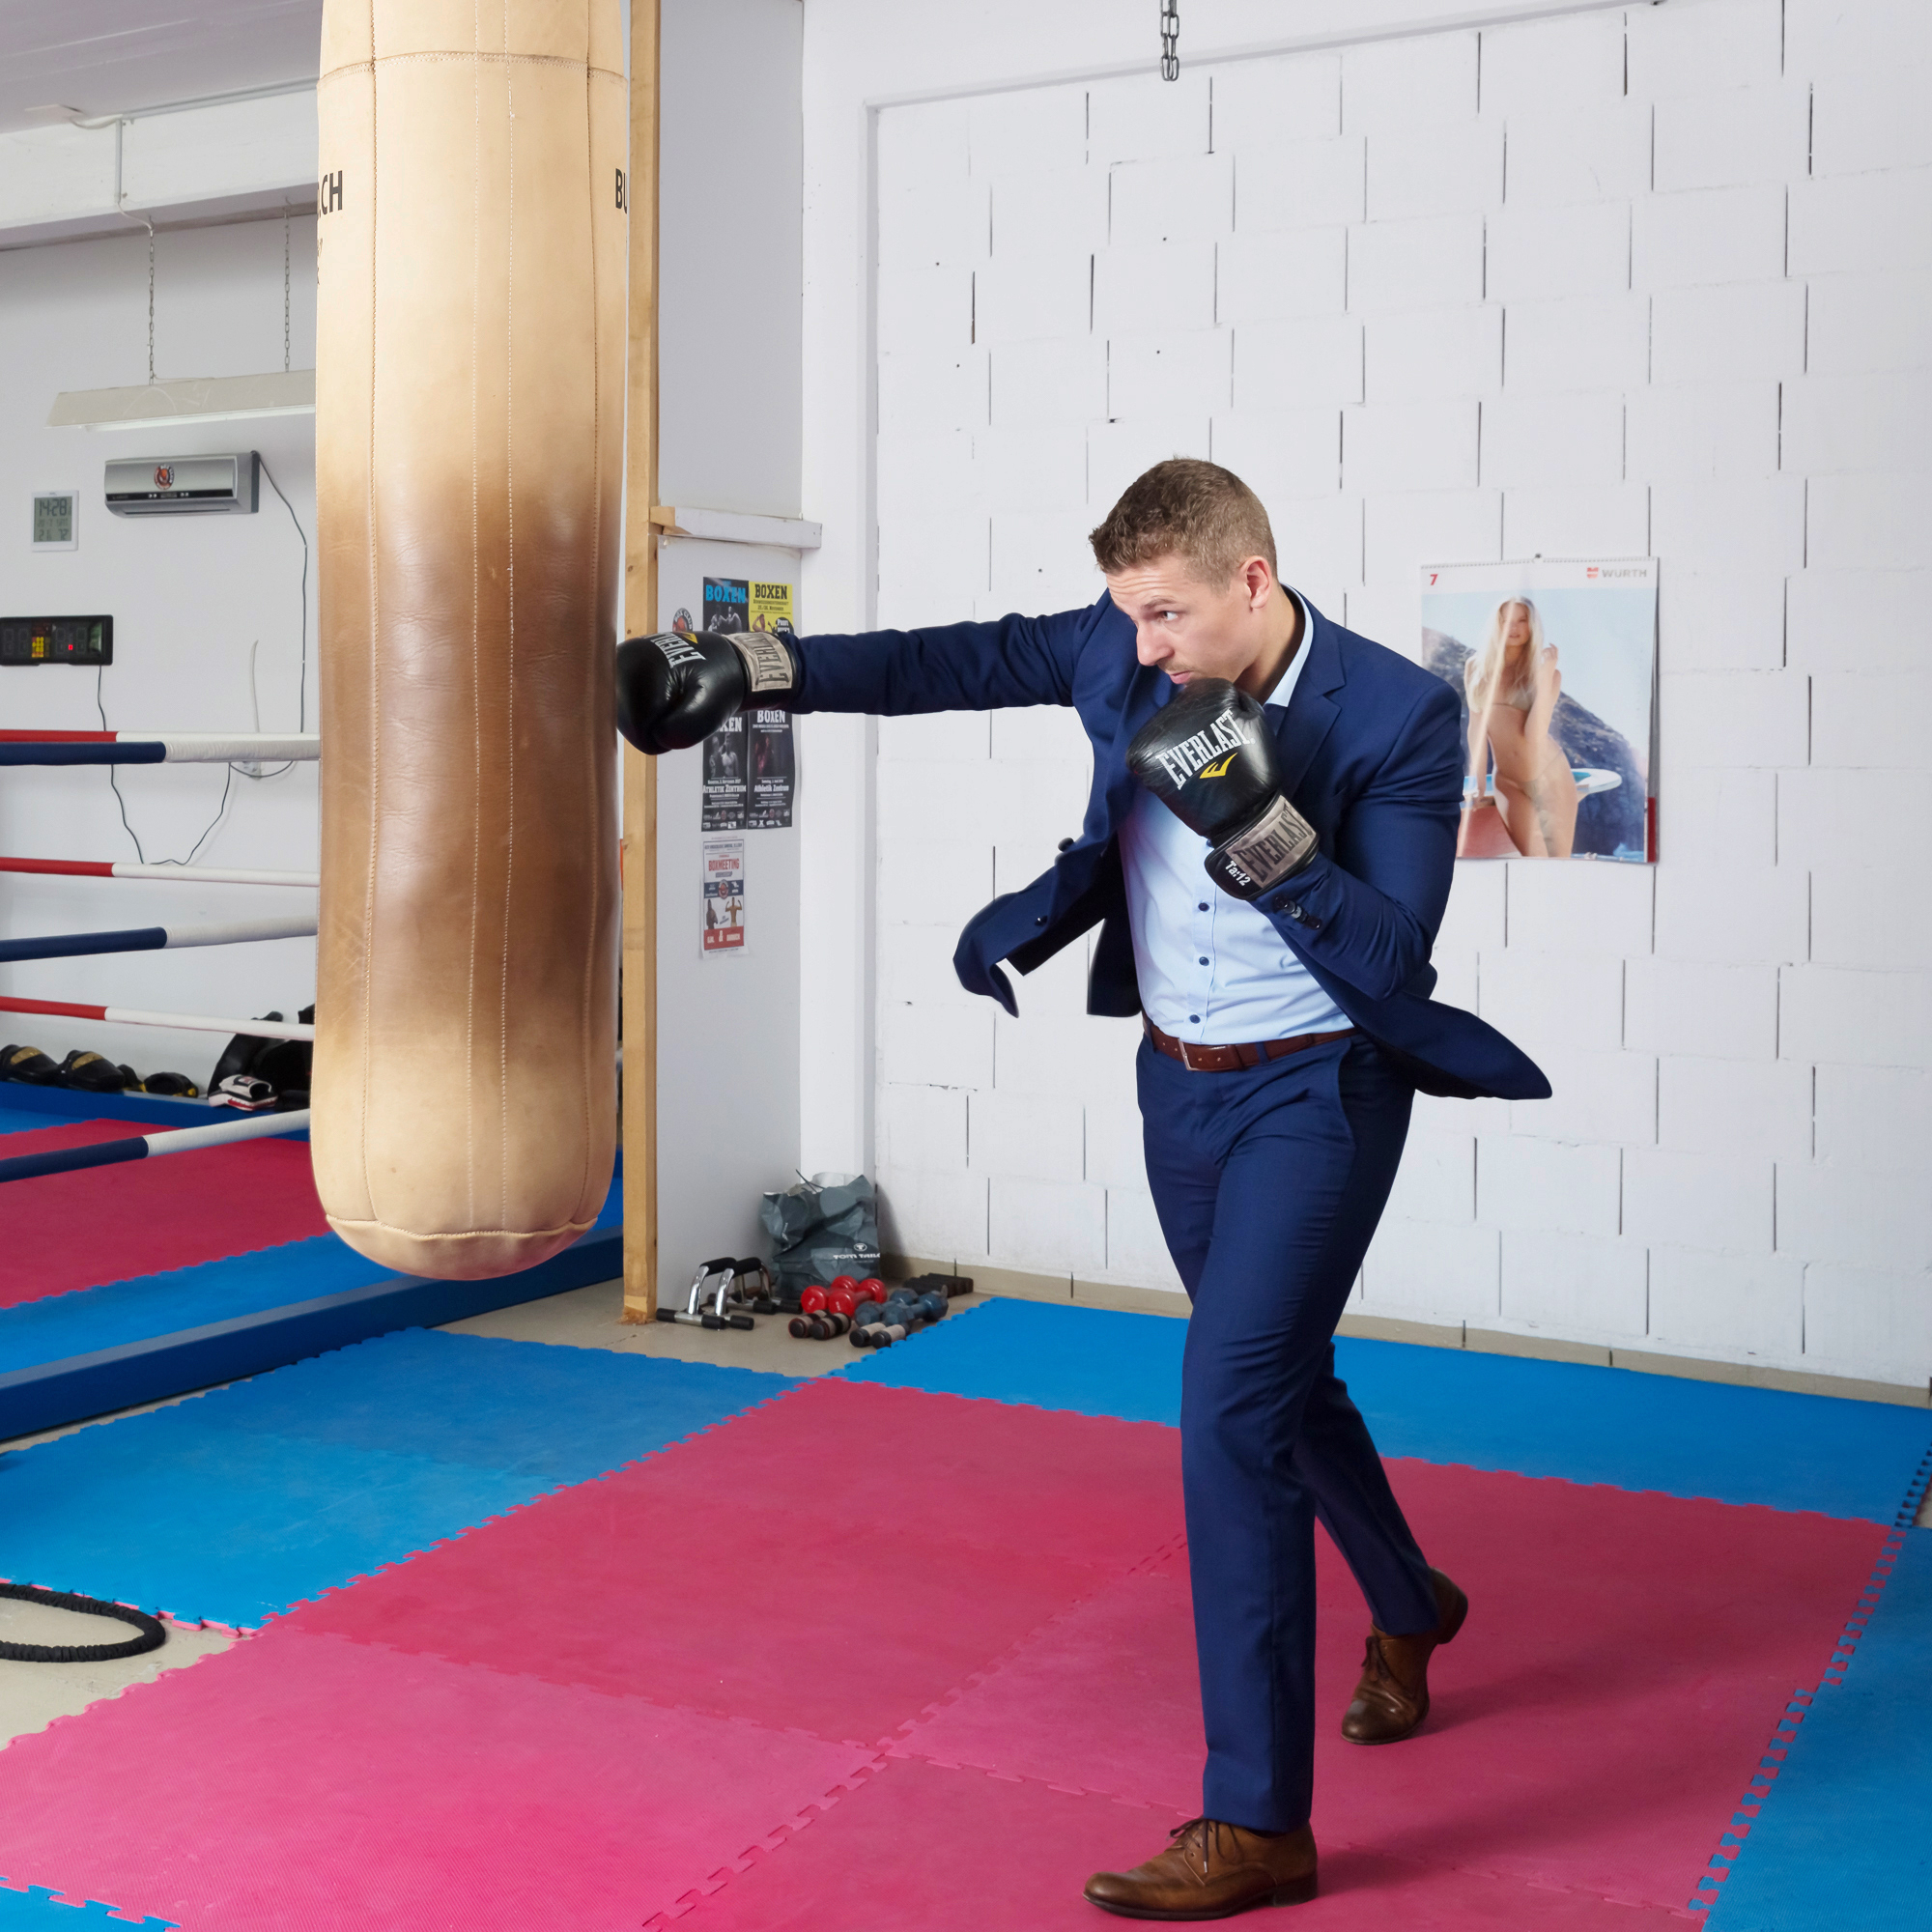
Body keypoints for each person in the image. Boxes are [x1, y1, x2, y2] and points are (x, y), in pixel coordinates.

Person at [615, 459, 1548, 1919]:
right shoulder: (1121, 643)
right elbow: (942, 662)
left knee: (1228, 1409)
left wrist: (1261, 827)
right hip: (1180, 1084)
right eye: (1128, 614)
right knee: (1280, 1384)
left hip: (1318, 1092)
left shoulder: (1395, 714)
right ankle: (1410, 1600)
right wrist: (750, 666)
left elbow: (1390, 958)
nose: (1142, 645)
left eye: (1167, 614)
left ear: (1253, 579)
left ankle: (1258, 1821)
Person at [1459, 596, 1578, 859]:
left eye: (1522, 620)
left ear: (1532, 625)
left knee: (1560, 863)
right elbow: (1476, 728)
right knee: (1535, 860)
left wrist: (1545, 677)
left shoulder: (1547, 674)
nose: (1513, 628)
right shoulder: (1476, 668)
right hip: (1508, 782)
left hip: (1552, 777)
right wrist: (1479, 782)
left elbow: (1534, 735)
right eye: (1506, 621)